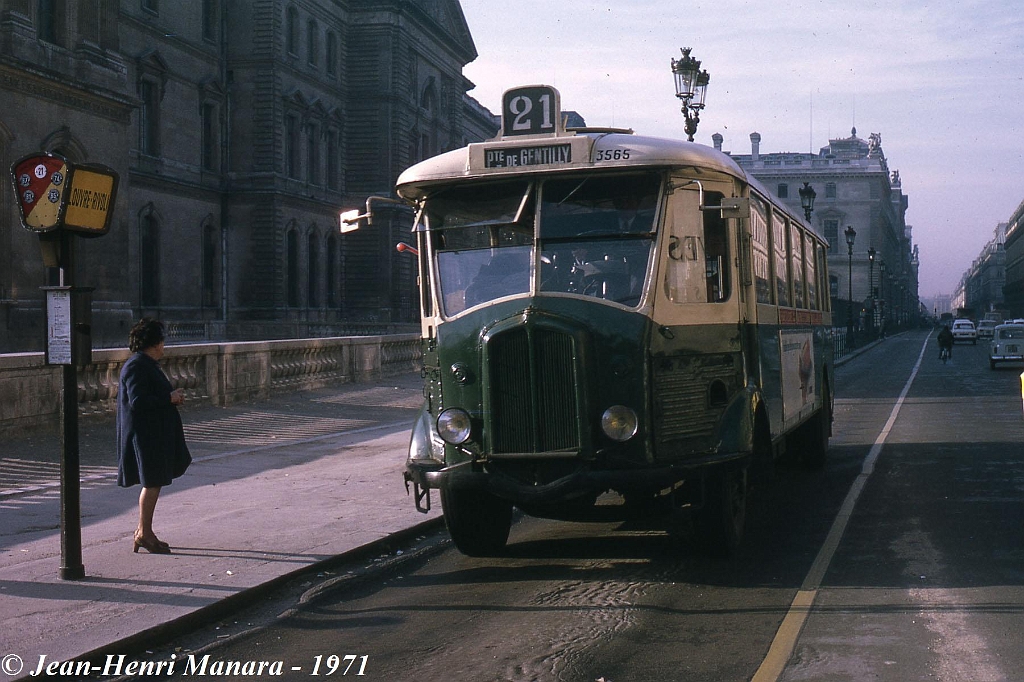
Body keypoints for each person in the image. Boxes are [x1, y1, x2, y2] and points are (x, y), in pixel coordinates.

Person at [116, 318, 191, 554]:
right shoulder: (137, 366)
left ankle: (143, 532)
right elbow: (137, 401)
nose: (163, 346)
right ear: (155, 343)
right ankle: (144, 533)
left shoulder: (144, 364)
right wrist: (169, 398)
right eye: (162, 341)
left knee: (154, 482)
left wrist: (171, 396)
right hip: (146, 436)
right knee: (152, 483)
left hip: (152, 434)